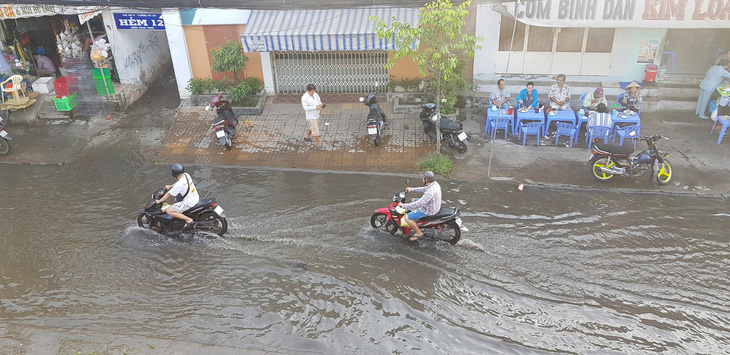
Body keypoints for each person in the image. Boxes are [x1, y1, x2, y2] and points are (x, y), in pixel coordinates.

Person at [398, 171, 442, 241]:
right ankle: (416, 218)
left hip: (429, 210)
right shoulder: (435, 184)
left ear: (426, 180)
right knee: (414, 200)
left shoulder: (430, 192)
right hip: (433, 205)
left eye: (423, 178)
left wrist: (403, 206)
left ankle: (418, 232)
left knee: (407, 217)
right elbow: (424, 189)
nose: (422, 179)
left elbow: (419, 204)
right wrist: (412, 189)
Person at [154, 163, 200, 230]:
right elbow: (179, 182)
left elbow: (168, 194)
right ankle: (181, 216)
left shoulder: (179, 185)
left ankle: (188, 219)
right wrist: (170, 186)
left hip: (189, 202)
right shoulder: (186, 175)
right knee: (176, 199)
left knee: (169, 211)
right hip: (194, 197)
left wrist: (160, 201)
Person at [301, 83, 326, 151]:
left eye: (314, 91)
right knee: (315, 130)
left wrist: (321, 105)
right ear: (308, 91)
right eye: (312, 92)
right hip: (311, 116)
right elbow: (305, 108)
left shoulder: (315, 94)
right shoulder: (304, 98)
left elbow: (318, 100)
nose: (313, 93)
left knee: (313, 127)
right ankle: (318, 144)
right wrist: (315, 107)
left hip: (316, 114)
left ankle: (307, 136)